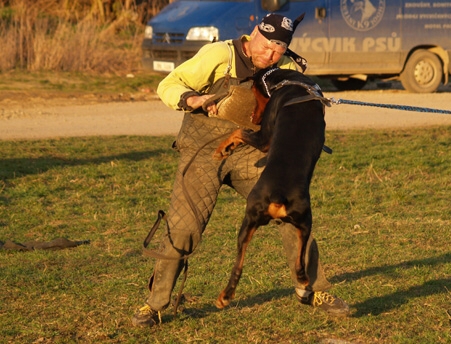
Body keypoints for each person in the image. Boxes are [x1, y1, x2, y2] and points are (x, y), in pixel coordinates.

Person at [132, 13, 349, 327]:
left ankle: (312, 289)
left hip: (250, 150)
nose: (270, 54)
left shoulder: (285, 69)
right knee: (184, 227)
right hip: (203, 151)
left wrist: (312, 100)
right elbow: (169, 84)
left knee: (291, 209)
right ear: (254, 34)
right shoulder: (221, 56)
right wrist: (193, 98)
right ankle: (154, 305)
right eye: (267, 45)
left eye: (279, 49)